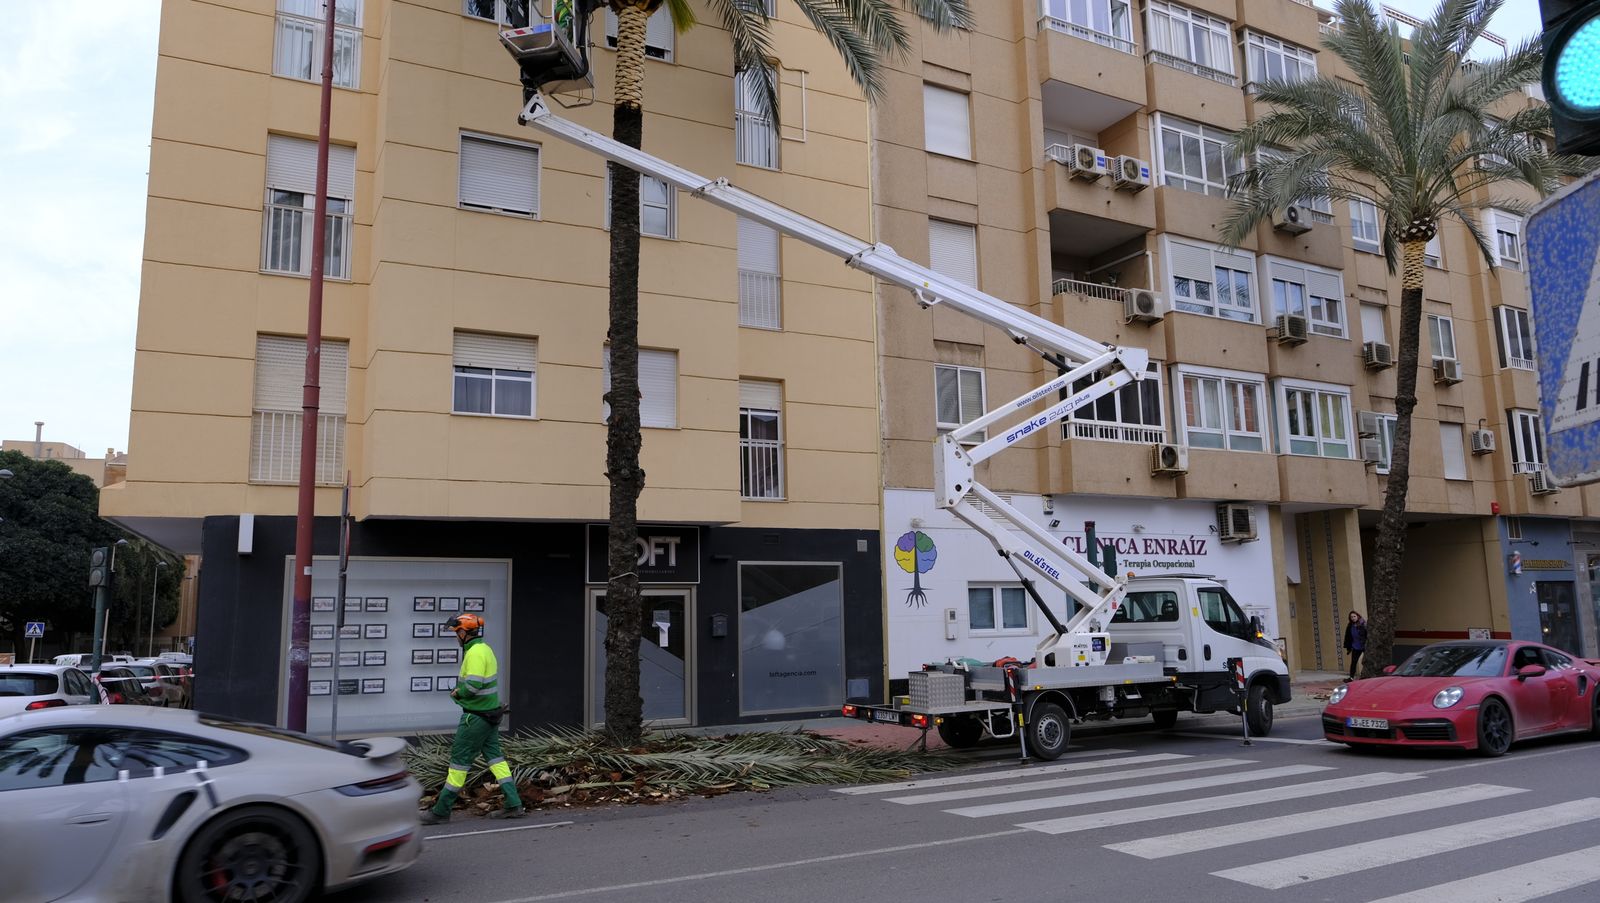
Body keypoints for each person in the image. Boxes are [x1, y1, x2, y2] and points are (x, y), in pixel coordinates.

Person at [420, 613, 524, 824]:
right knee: (496, 760)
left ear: (464, 633)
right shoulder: (485, 649)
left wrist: (458, 693)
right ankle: (513, 804)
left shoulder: (475, 653)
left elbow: (473, 686)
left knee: (459, 764)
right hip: (489, 715)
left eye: (456, 633)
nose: (455, 637)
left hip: (474, 719)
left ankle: (441, 811)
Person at [1343, 611, 1367, 682]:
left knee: (1367, 661)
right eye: (1351, 617)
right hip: (1356, 646)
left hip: (1364, 645)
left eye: (1354, 616)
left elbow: (1367, 634)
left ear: (1358, 616)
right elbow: (1347, 636)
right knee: (1353, 662)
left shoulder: (1363, 624)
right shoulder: (1350, 625)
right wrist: (1348, 646)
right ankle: (1351, 677)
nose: (1353, 618)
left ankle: (1366, 676)